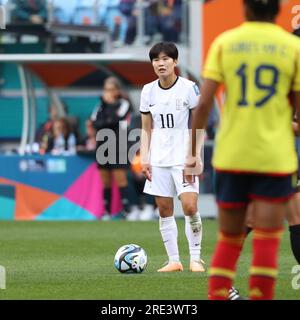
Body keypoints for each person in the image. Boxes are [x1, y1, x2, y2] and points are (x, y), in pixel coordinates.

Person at [187, 0, 300, 300]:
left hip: (232, 154)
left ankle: (218, 296)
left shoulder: (226, 42)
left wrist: (192, 153)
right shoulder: (292, 48)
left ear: (245, 8)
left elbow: (203, 106)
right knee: (266, 239)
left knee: (229, 238)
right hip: (274, 157)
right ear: (278, 10)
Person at [140, 42, 205, 272]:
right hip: (158, 158)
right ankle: (174, 260)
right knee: (164, 208)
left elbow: (199, 123)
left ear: (175, 62)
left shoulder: (189, 88)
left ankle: (195, 258)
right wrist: (145, 158)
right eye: (156, 60)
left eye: (166, 59)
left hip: (185, 156)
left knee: (189, 206)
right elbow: (146, 128)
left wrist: (194, 155)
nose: (161, 63)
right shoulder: (148, 91)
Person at [91, 76, 133, 220]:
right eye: (106, 89)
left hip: (118, 144)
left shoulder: (123, 103)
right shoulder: (100, 106)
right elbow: (96, 123)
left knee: (121, 179)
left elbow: (114, 120)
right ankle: (107, 212)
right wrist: (105, 109)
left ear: (117, 90)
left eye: (111, 89)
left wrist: (107, 113)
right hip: (103, 145)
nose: (108, 93)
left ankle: (127, 211)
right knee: (106, 181)